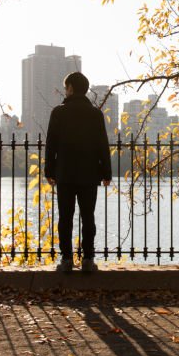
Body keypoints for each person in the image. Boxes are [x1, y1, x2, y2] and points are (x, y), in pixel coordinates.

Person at [44, 71, 113, 273]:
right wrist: (107, 173)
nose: (65, 91)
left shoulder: (58, 112)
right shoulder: (95, 114)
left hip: (64, 173)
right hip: (89, 174)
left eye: (66, 88)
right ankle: (88, 259)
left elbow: (51, 145)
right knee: (88, 217)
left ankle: (66, 259)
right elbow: (103, 145)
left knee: (65, 218)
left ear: (71, 88)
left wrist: (49, 170)